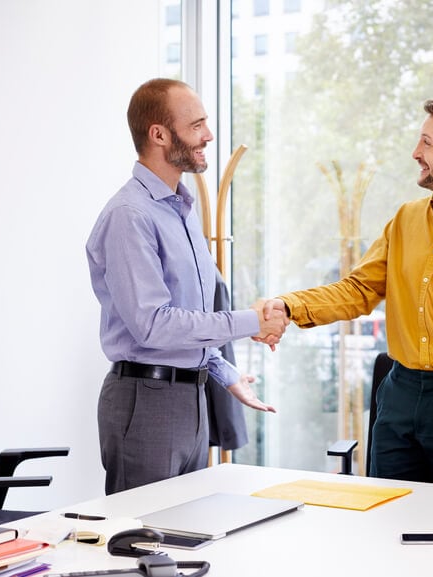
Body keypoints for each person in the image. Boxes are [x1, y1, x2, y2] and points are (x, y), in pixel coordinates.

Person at [262, 97, 433, 486]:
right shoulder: (406, 219)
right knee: (385, 518)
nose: (416, 153)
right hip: (397, 395)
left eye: (427, 143)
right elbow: (359, 289)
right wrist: (290, 307)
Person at [86, 78, 287, 494]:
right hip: (146, 402)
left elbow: (191, 315)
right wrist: (253, 321)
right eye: (196, 125)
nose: (208, 136)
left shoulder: (181, 209)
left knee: (187, 537)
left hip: (189, 398)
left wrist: (222, 370)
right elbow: (155, 325)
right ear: (158, 134)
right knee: (142, 542)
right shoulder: (131, 216)